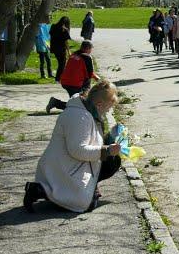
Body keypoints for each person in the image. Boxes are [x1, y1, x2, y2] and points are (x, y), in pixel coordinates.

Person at [24, 80, 122, 213]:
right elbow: (77, 150)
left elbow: (91, 141)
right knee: (88, 203)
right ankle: (40, 190)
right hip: (63, 169)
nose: (108, 111)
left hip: (68, 165)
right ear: (99, 104)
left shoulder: (86, 110)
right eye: (108, 108)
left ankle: (79, 189)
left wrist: (111, 138)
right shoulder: (80, 117)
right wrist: (107, 150)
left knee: (113, 160)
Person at [46, 40, 100, 113]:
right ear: (88, 49)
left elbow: (79, 68)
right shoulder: (87, 57)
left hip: (65, 81)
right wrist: (90, 84)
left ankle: (55, 103)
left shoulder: (74, 55)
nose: (91, 51)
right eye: (91, 49)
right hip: (75, 84)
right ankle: (55, 103)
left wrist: (94, 76)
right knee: (79, 105)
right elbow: (89, 73)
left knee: (77, 103)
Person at [49, 16, 71, 83]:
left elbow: (50, 35)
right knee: (62, 64)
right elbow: (66, 42)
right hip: (61, 49)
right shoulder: (64, 30)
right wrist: (69, 51)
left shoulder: (53, 26)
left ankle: (59, 78)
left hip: (54, 48)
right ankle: (58, 79)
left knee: (60, 63)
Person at [35, 15, 53, 79]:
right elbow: (37, 37)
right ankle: (42, 74)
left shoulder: (47, 26)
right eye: (48, 19)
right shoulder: (39, 26)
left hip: (47, 46)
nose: (49, 20)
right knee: (42, 61)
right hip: (41, 45)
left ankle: (50, 74)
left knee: (48, 60)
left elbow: (49, 36)